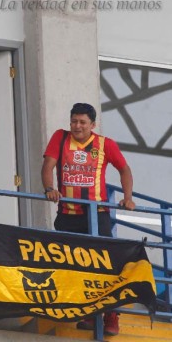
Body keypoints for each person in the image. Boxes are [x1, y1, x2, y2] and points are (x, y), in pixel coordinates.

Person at [41, 102, 135, 336]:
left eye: (82, 122)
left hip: (98, 215)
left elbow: (125, 170)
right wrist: (49, 188)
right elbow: (48, 165)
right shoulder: (60, 138)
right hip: (67, 215)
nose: (77, 126)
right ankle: (88, 313)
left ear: (93, 125)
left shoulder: (105, 144)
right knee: (72, 265)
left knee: (106, 264)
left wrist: (128, 198)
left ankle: (111, 314)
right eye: (74, 121)